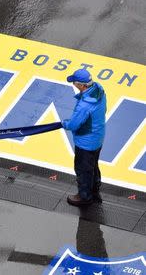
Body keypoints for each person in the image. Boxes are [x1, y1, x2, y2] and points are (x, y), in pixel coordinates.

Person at [62, 69, 106, 206]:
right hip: (98, 137)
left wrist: (65, 123)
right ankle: (95, 190)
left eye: (75, 83)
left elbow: (74, 125)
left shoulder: (84, 106)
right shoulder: (100, 90)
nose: (74, 85)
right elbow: (104, 110)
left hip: (85, 142)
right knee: (93, 166)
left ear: (82, 85)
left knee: (83, 169)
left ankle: (84, 196)